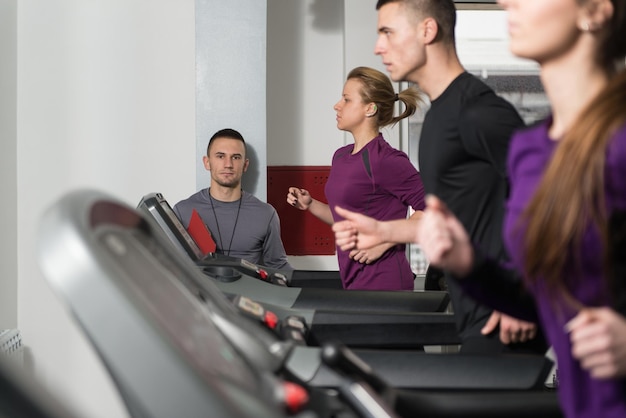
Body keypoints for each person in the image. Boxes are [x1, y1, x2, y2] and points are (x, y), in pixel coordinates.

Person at [413, 0, 626, 416]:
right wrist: (467, 263)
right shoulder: (531, 150)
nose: (506, 1)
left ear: (596, 11)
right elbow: (545, 298)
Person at [333, 0, 545, 354]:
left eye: (388, 32)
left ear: (427, 31)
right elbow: (456, 215)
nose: (378, 46)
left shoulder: (479, 112)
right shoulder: (438, 119)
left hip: (505, 314)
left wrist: (523, 292)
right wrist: (388, 232)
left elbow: (550, 200)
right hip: (474, 306)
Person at [286, 66, 426, 290]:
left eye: (346, 99)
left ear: (370, 108)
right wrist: (310, 204)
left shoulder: (386, 160)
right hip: (353, 280)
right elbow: (345, 219)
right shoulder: (341, 156)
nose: (337, 105)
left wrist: (385, 241)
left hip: (385, 281)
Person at [174, 128, 293, 270]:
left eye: (236, 157)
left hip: (249, 292)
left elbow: (278, 266)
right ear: (207, 162)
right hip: (200, 291)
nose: (228, 164)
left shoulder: (266, 214)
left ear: (245, 165)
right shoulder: (183, 211)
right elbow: (170, 265)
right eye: (220, 156)